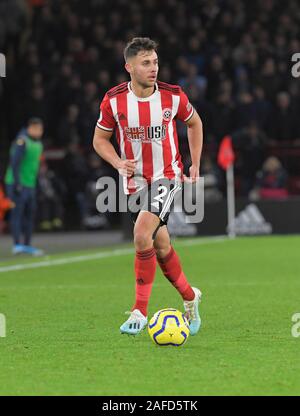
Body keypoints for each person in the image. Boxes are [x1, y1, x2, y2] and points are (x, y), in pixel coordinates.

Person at [93, 37, 204, 336]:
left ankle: (139, 312)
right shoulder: (114, 100)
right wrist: (117, 162)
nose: (153, 68)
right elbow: (99, 140)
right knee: (161, 246)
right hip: (133, 185)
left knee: (142, 235)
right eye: (145, 63)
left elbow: (195, 123)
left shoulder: (173, 96)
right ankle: (191, 298)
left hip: (167, 177)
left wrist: (194, 163)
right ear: (129, 67)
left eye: (155, 62)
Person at [4, 117, 44, 255]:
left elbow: (35, 167)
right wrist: (17, 184)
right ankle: (17, 244)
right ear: (30, 128)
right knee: (17, 213)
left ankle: (27, 245)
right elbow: (14, 163)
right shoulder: (22, 141)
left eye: (41, 129)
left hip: (30, 184)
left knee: (30, 213)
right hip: (17, 183)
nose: (40, 132)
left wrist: (37, 184)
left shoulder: (38, 144)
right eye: (38, 129)